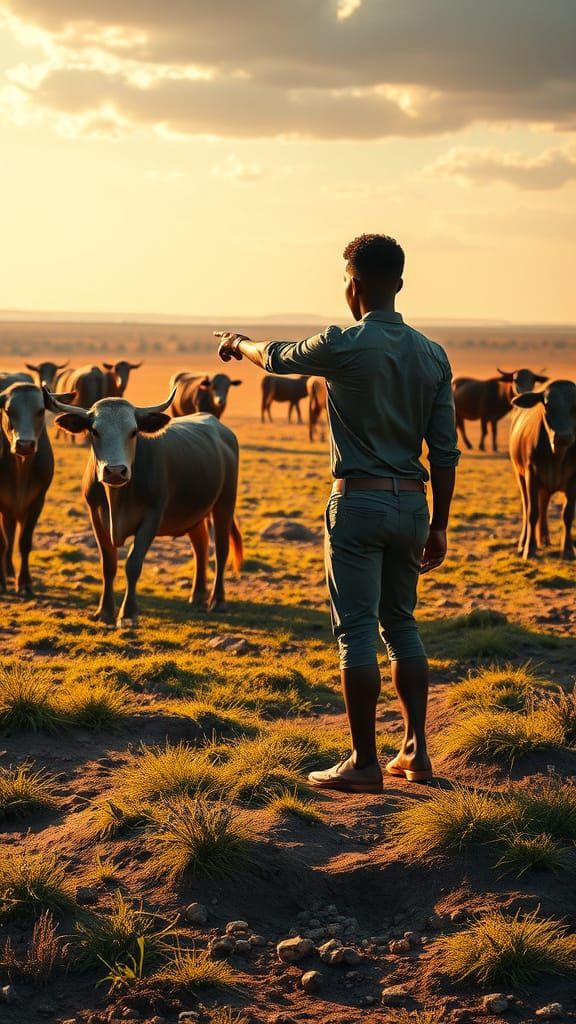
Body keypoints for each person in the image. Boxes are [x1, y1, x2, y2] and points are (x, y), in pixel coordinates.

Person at [215, 233, 460, 794]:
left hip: (357, 502)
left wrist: (237, 342)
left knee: (355, 631)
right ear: (398, 283)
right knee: (403, 626)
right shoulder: (432, 354)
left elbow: (274, 358)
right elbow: (444, 452)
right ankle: (417, 753)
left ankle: (363, 763)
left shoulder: (343, 344)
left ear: (353, 283)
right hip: (413, 506)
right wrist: (439, 524)